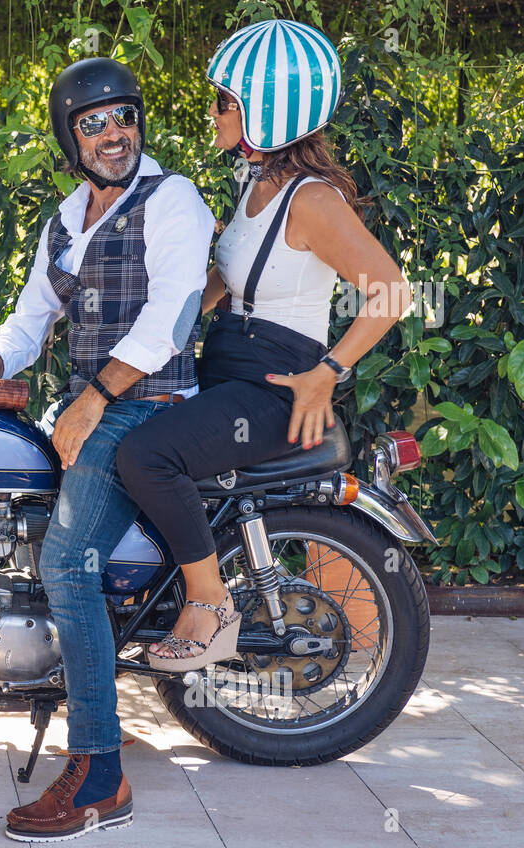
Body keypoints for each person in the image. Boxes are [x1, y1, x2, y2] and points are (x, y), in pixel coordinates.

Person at [0, 57, 215, 842]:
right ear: (70, 136)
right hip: (92, 406)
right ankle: (92, 686)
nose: (113, 133)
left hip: (150, 406)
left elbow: (169, 321)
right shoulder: (67, 217)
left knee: (67, 562)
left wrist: (95, 399)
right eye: (93, 123)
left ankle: (99, 775)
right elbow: (31, 321)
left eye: (123, 116)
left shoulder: (173, 201)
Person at [115, 18, 411, 672]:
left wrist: (326, 373)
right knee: (112, 435)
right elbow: (228, 280)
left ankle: (211, 605)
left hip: (273, 388)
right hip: (225, 371)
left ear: (269, 112)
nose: (214, 112)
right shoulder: (255, 183)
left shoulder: (314, 201)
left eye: (226, 101)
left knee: (146, 456)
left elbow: (392, 291)